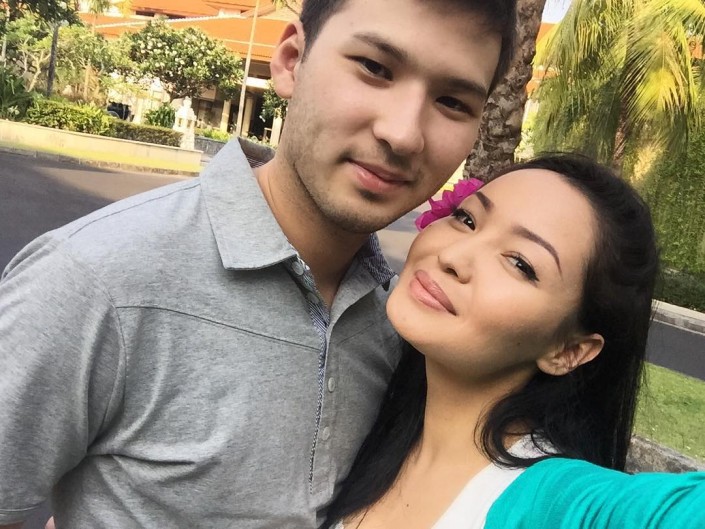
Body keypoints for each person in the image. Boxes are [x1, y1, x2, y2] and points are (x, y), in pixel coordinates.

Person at [0, 0, 517, 527]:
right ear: (291, 61)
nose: (403, 133)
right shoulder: (96, 278)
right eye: (374, 67)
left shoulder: (404, 322)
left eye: (452, 102)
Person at [323, 154, 705, 529]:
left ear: (568, 351)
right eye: (467, 219)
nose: (452, 255)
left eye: (520, 263)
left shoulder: (554, 503)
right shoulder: (366, 414)